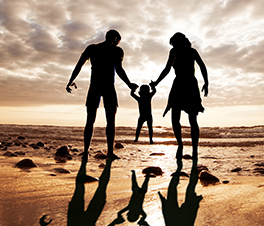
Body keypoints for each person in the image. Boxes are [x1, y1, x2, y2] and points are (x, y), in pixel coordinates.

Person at [66, 30, 138, 160]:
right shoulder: (116, 51)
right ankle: (108, 152)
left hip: (96, 86)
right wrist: (129, 84)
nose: (117, 44)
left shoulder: (92, 48)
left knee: (91, 120)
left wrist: (71, 80)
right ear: (115, 38)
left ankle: (87, 152)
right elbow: (119, 69)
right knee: (109, 121)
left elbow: (79, 65)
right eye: (117, 41)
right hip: (107, 87)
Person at [150, 32, 208, 159]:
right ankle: (180, 145)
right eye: (173, 44)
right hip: (178, 84)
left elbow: (202, 66)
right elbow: (167, 69)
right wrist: (156, 82)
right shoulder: (173, 52)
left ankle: (195, 150)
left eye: (176, 43)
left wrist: (206, 82)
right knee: (175, 117)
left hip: (191, 85)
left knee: (193, 119)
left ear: (182, 41)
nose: (174, 46)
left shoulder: (192, 51)